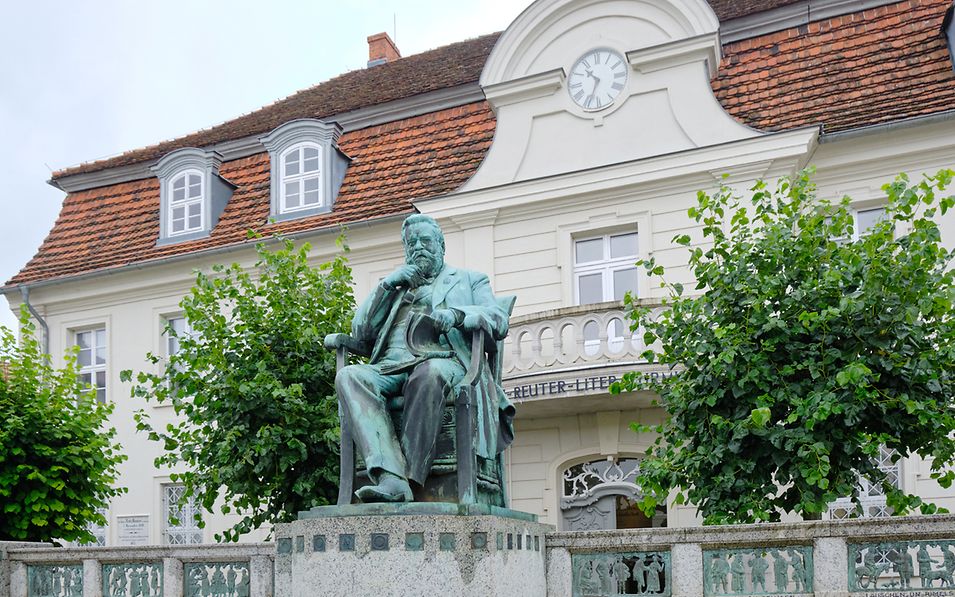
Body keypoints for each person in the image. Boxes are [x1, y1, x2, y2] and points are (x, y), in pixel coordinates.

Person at [332, 214, 515, 503]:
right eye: (412, 242)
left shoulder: (470, 280)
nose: (418, 247)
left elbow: (497, 319)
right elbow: (361, 331)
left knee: (428, 373)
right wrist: (387, 285)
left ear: (441, 246)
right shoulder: (395, 287)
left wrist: (457, 316)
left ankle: (407, 480)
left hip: (444, 360)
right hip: (390, 366)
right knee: (349, 376)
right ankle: (391, 477)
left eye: (426, 240)